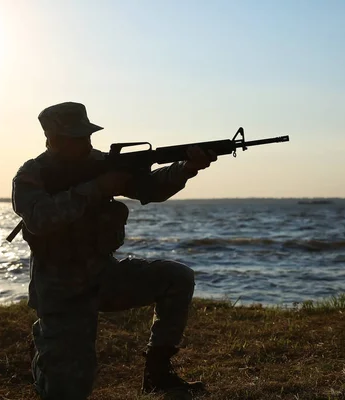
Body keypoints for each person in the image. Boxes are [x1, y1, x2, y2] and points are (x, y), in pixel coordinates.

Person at [11, 101, 217, 399]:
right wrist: (98, 188)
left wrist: (185, 168)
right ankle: (46, 349)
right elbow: (41, 219)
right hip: (60, 290)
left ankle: (158, 374)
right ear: (53, 139)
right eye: (75, 137)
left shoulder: (101, 163)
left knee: (176, 277)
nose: (84, 143)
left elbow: (151, 189)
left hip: (103, 275)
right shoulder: (33, 174)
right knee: (69, 390)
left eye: (86, 136)